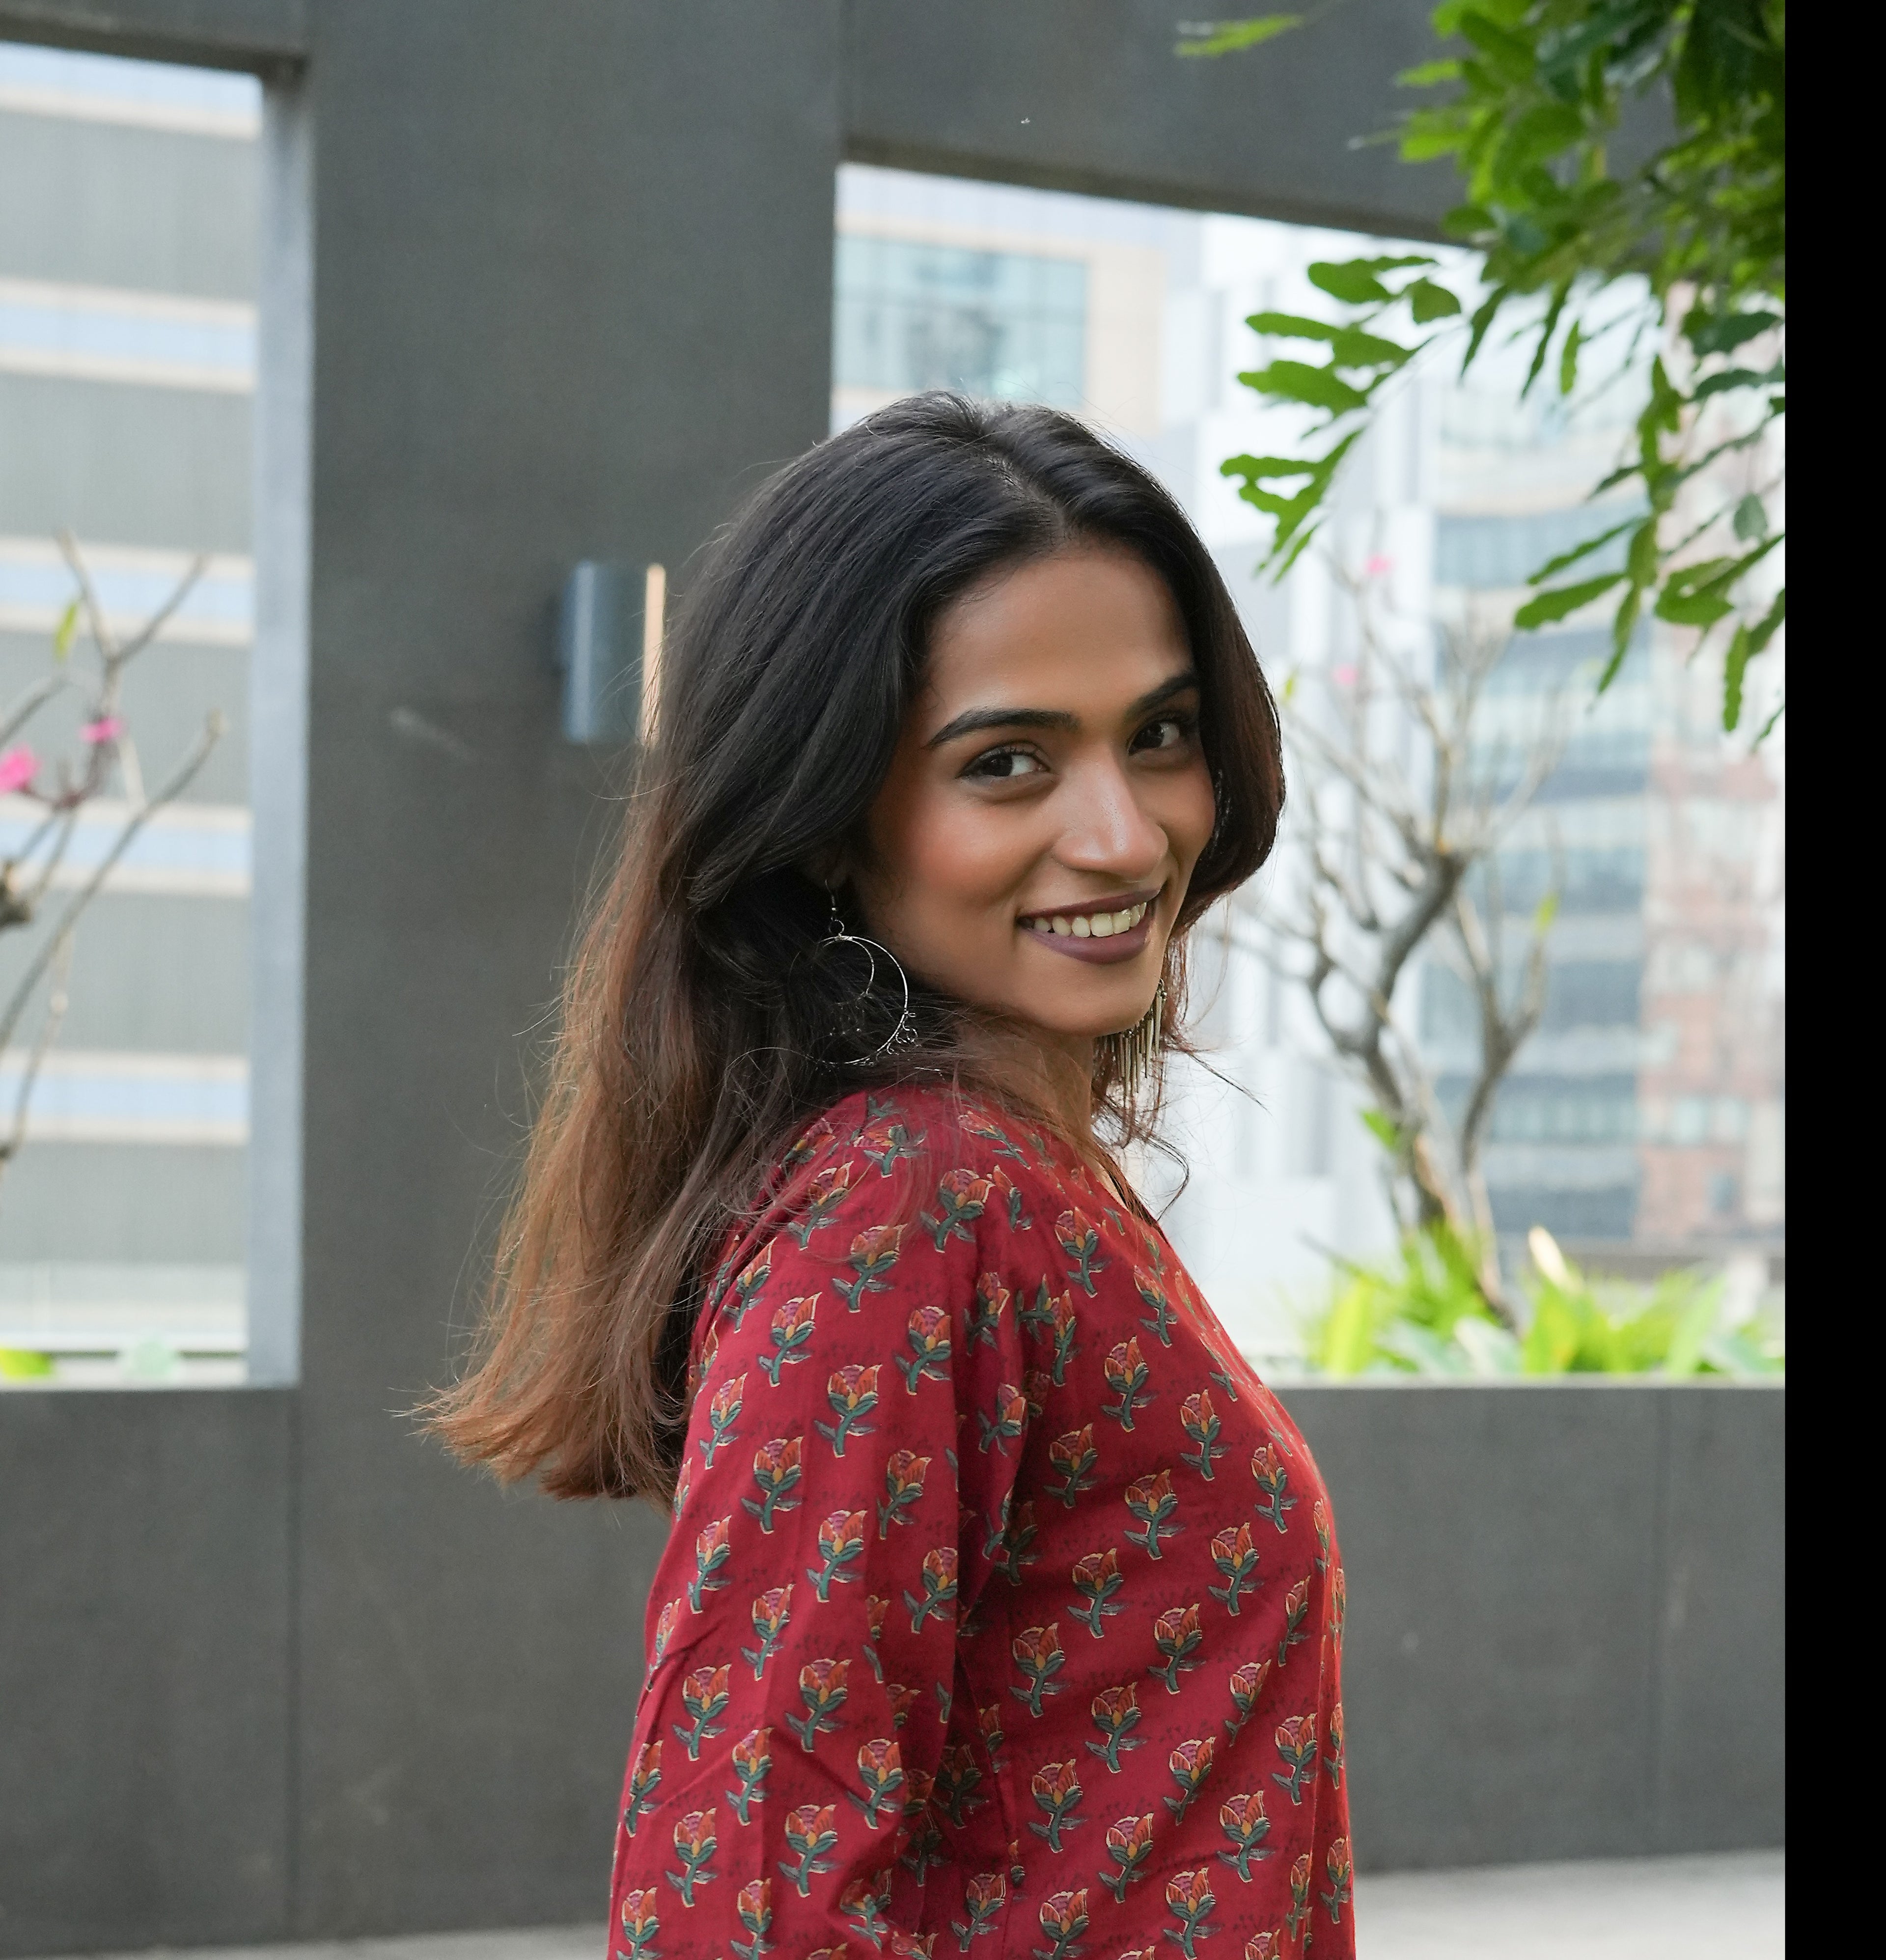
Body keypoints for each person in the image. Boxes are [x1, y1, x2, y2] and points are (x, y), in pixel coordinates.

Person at [434, 393, 1353, 1957]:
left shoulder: (1017, 1176)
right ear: (826, 822)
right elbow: (742, 1898)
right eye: (1008, 764)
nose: (1125, 834)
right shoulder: (909, 1205)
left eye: (1162, 733)